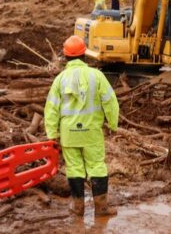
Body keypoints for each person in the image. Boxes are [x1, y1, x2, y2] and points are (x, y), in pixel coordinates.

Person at [45, 36, 119, 218]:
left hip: (69, 134)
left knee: (74, 168)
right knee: (97, 167)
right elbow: (110, 101)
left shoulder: (60, 79)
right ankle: (101, 209)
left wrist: (51, 134)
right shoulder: (97, 76)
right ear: (84, 53)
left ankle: (78, 207)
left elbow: (51, 109)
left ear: (65, 56)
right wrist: (113, 123)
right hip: (91, 133)